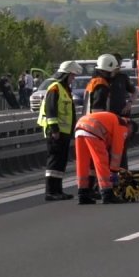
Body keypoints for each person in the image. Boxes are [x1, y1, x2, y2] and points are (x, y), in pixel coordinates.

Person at [37, 60, 82, 201]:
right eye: (72, 76)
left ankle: (58, 191)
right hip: (55, 133)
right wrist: (55, 129)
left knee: (60, 162)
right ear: (66, 75)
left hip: (64, 132)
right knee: (54, 162)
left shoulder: (65, 89)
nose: (73, 79)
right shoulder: (55, 88)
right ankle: (50, 192)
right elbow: (50, 111)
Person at [73, 110, 132, 204]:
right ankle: (107, 194)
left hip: (80, 126)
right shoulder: (123, 126)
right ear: (130, 127)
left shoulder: (113, 119)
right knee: (101, 161)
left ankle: (83, 194)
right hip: (94, 129)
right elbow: (117, 152)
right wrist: (114, 174)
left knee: (82, 163)